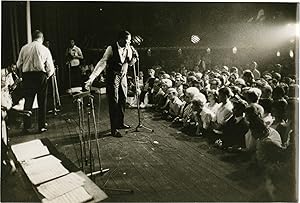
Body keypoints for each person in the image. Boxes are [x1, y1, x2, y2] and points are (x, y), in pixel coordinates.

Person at [85, 30, 138, 137]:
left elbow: (131, 62)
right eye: (128, 40)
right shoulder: (111, 48)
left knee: (123, 99)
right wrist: (92, 78)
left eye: (130, 41)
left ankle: (120, 123)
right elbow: (102, 62)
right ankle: (114, 129)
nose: (129, 43)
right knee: (114, 101)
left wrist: (134, 59)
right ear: (121, 39)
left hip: (123, 77)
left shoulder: (129, 48)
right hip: (113, 77)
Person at [16, 30, 55, 133]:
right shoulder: (44, 49)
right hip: (40, 76)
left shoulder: (24, 48)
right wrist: (46, 76)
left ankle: (26, 126)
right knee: (42, 101)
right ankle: (41, 126)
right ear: (41, 39)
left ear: (33, 38)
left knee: (28, 101)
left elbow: (18, 64)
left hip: (27, 77)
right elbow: (51, 68)